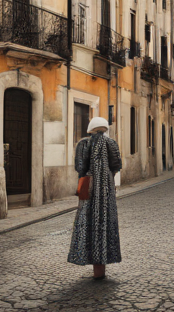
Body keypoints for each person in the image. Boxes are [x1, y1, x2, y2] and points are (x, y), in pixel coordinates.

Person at [68, 117, 122, 279]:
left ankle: (89, 259)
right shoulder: (112, 143)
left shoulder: (83, 144)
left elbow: (80, 167)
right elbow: (117, 165)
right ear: (105, 128)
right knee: (105, 222)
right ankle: (102, 267)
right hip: (106, 188)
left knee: (86, 222)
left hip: (87, 186)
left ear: (91, 128)